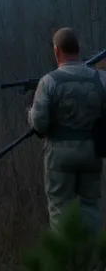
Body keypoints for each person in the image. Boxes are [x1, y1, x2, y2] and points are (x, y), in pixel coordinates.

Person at [28, 27, 106, 229]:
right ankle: (93, 249)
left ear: (56, 51)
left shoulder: (48, 82)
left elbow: (40, 124)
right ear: (79, 48)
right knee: (90, 208)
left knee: (60, 211)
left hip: (59, 155)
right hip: (91, 153)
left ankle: (66, 250)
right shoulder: (101, 79)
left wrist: (30, 112)